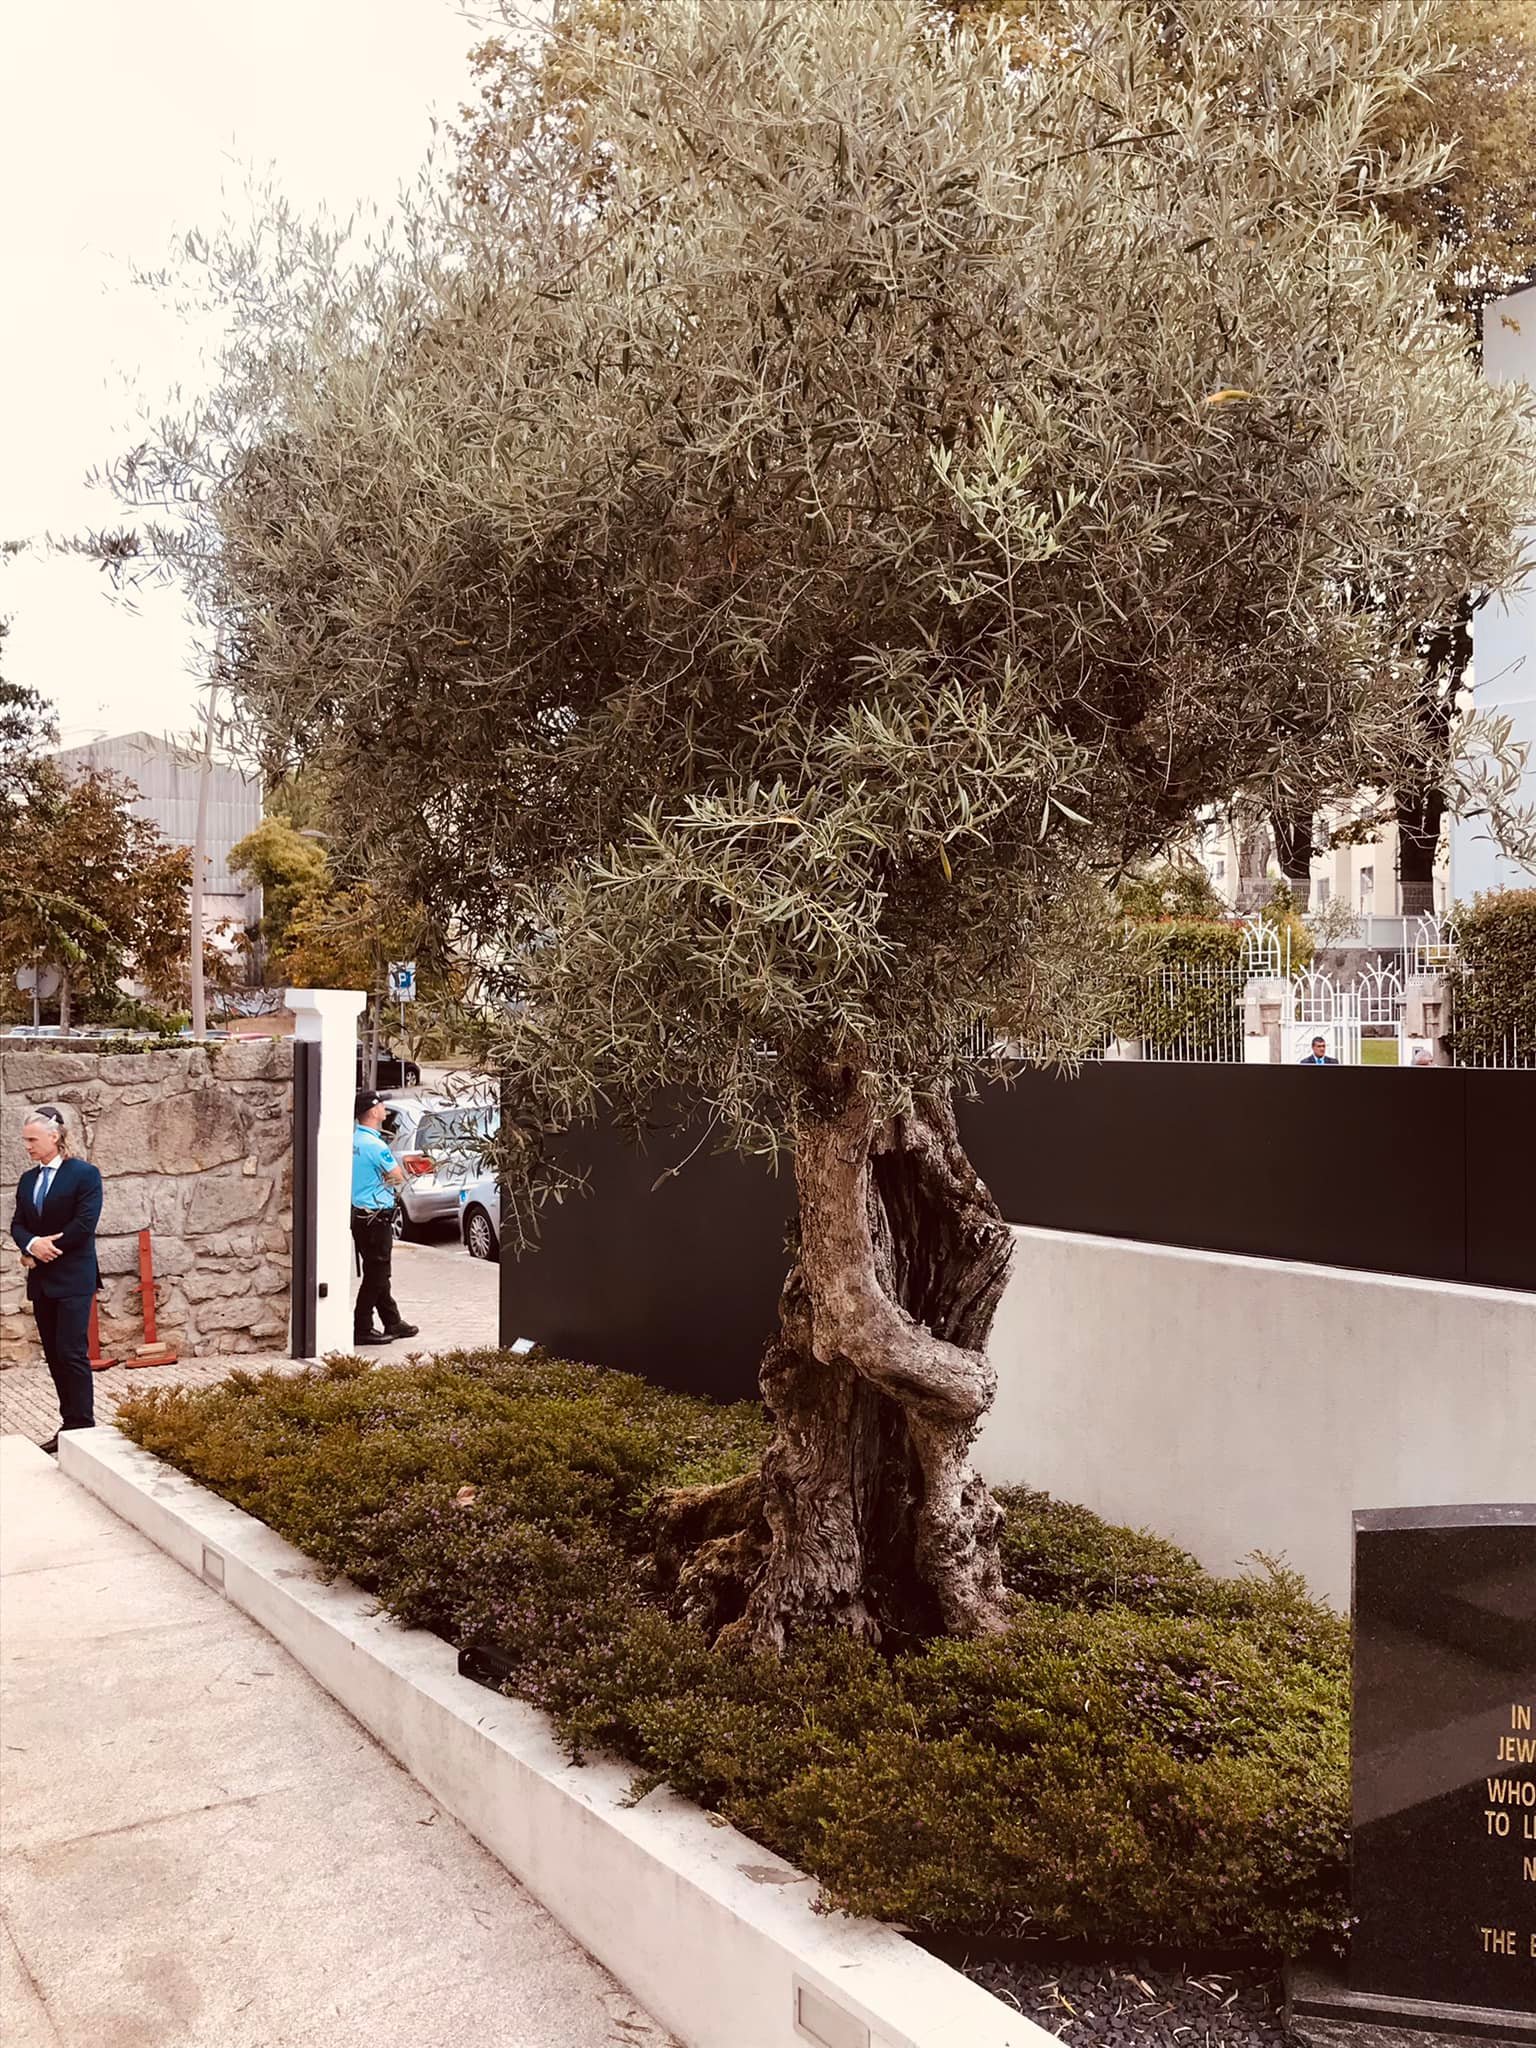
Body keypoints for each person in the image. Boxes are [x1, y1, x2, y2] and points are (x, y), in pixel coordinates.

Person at [8, 1106, 103, 1453]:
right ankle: (69, 1425)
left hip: (74, 1278)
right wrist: (31, 1244)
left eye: (32, 1140)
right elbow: (18, 1224)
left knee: (71, 1351)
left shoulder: (84, 1174)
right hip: (42, 1282)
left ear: (54, 1136)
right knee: (53, 1354)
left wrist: (45, 1249)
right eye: (25, 1140)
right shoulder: (27, 1180)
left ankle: (83, 1427)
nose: (27, 1146)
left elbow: (84, 1224)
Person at [351, 1090, 419, 1347]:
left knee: (377, 1270)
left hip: (360, 1215)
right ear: (372, 1112)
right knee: (377, 1274)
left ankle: (392, 1321)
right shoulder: (375, 1146)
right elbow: (397, 1177)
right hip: (376, 1216)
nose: (385, 1109)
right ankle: (362, 1326)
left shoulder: (354, 1140)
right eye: (381, 1105)